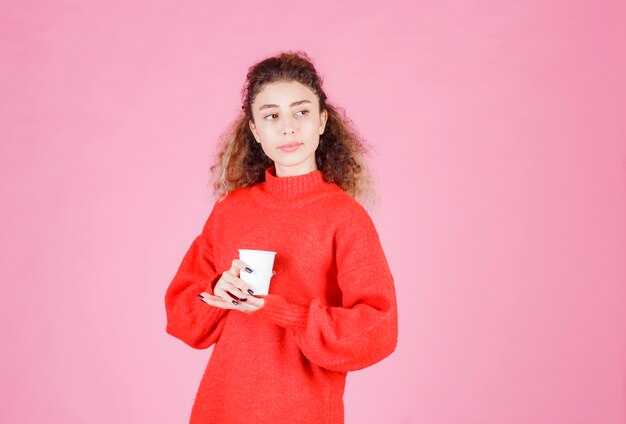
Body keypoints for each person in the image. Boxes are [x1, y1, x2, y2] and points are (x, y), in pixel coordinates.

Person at [164, 51, 398, 424]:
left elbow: (378, 330)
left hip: (304, 412)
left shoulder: (345, 217)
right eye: (271, 115)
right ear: (255, 130)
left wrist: (279, 311)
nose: (288, 127)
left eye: (301, 112)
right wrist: (217, 293)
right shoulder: (230, 211)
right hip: (221, 408)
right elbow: (182, 318)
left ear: (322, 121)